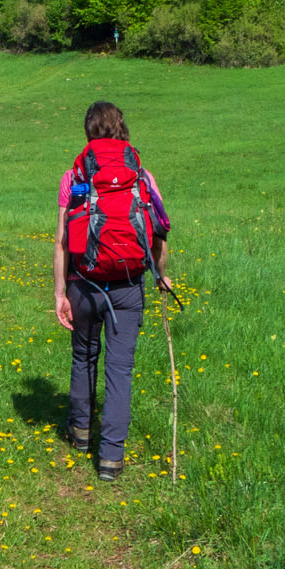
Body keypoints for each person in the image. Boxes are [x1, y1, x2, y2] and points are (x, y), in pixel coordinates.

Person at [53, 100, 172, 481]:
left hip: (84, 285)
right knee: (120, 371)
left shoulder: (73, 177)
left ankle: (81, 433)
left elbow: (61, 242)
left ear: (88, 132)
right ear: (122, 129)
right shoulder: (143, 177)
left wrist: (60, 293)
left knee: (84, 357)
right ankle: (110, 461)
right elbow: (159, 234)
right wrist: (159, 276)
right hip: (127, 288)